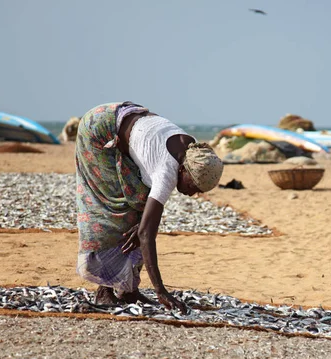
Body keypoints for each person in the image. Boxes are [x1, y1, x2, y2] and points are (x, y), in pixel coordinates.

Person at [75, 102, 224, 313]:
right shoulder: (166, 172)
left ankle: (128, 290)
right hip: (100, 130)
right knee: (115, 212)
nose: (193, 193)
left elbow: (146, 225)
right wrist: (161, 291)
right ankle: (105, 289)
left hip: (127, 119)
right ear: (183, 171)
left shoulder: (195, 152)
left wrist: (144, 225)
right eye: (193, 186)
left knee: (141, 214)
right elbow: (147, 235)